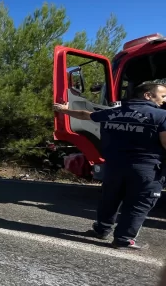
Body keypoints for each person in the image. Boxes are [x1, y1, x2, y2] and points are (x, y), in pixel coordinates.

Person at [53, 82, 166, 250]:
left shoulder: (113, 111)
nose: (165, 100)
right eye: (163, 96)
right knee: (139, 203)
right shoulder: (161, 115)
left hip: (114, 166)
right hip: (146, 169)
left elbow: (85, 115)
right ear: (147, 95)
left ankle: (101, 229)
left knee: (110, 198)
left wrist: (63, 110)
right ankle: (123, 238)